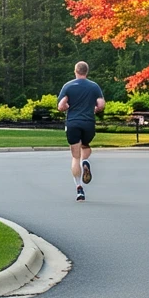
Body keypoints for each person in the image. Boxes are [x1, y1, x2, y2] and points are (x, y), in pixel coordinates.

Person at [58, 61, 105, 201]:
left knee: (75, 156)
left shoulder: (68, 86)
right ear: (87, 71)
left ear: (75, 71)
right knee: (86, 146)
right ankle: (86, 162)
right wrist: (96, 109)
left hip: (73, 123)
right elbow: (101, 104)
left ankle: (79, 189)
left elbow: (60, 106)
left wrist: (68, 106)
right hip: (88, 123)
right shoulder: (94, 86)